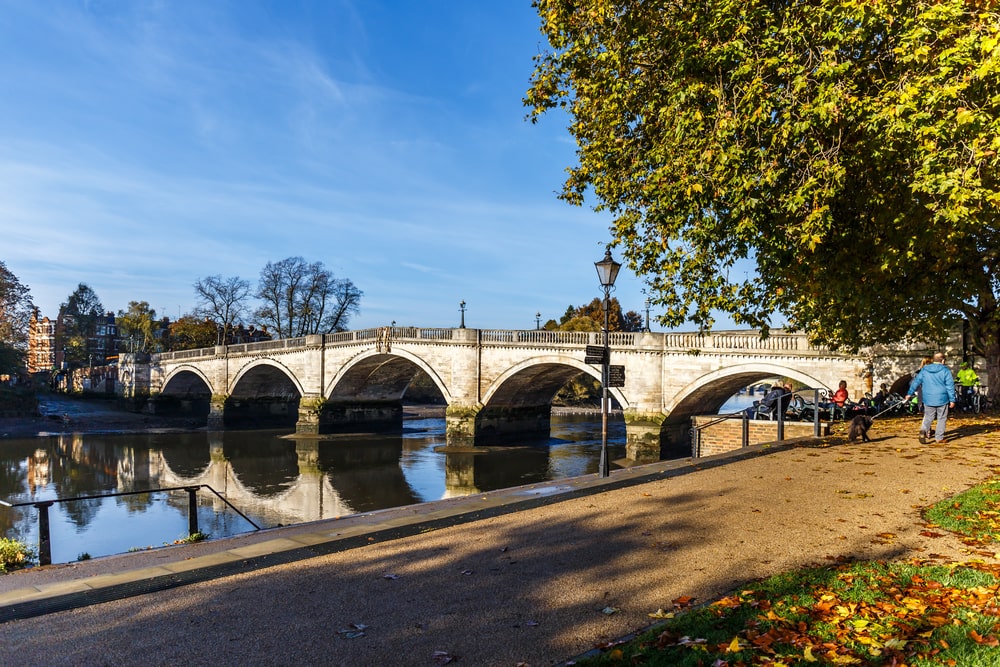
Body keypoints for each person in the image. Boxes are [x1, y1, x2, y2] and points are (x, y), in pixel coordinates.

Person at [904, 351, 956, 444]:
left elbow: (916, 382)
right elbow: (950, 385)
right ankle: (939, 438)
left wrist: (909, 393)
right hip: (942, 398)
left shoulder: (924, 370)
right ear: (943, 361)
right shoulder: (945, 370)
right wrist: (952, 399)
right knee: (941, 418)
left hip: (928, 398)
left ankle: (923, 430)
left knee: (928, 416)